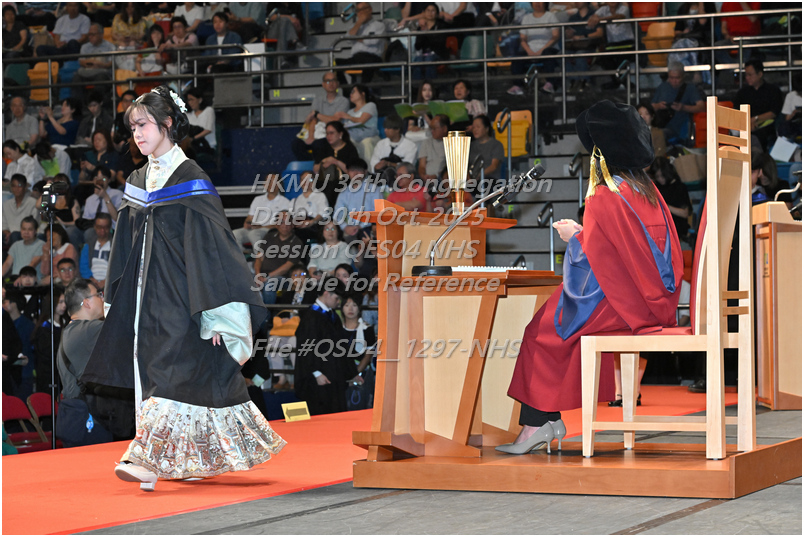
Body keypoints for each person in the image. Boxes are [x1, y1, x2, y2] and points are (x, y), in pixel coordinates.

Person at [79, 86, 285, 491]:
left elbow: (215, 252)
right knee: (157, 376)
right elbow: (125, 247)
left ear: (167, 123)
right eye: (132, 128)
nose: (136, 134)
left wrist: (219, 313)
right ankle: (186, 459)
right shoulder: (137, 180)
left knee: (169, 374)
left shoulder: (191, 179)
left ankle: (144, 459)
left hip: (183, 300)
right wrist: (116, 300)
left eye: (143, 125)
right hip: (144, 300)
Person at [498, 100, 683, 455]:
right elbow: (628, 251)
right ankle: (545, 421)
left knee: (542, 330)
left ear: (600, 154)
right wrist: (587, 235)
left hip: (625, 304)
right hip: (653, 299)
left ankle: (536, 425)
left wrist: (575, 238)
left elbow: (598, 259)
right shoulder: (647, 191)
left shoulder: (605, 195)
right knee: (549, 324)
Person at [57, 279, 136, 444]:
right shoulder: (87, 331)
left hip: (76, 417)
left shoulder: (72, 331)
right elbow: (127, 327)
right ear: (86, 302)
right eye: (99, 295)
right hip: (88, 420)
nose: (102, 299)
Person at [294, 277, 362, 415]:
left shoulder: (332, 316)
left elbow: (342, 346)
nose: (338, 303)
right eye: (337, 298)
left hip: (334, 375)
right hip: (319, 378)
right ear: (326, 293)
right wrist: (316, 373)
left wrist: (352, 373)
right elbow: (305, 348)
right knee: (320, 415)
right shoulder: (311, 317)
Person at [292, 72, 351, 161]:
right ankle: (309, 164)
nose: (331, 83)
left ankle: (319, 165)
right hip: (317, 132)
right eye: (328, 81)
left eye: (333, 80)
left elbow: (335, 120)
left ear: (338, 83)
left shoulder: (344, 101)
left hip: (333, 134)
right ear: (323, 84)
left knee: (319, 145)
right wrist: (311, 136)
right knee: (296, 144)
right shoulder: (317, 100)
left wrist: (317, 114)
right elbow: (313, 120)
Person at [252, 210, 305, 305]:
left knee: (269, 285)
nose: (284, 225)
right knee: (243, 279)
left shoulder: (297, 242)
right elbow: (259, 257)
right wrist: (258, 274)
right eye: (281, 222)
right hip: (262, 274)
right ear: (276, 224)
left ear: (292, 225)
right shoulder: (269, 237)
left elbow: (288, 266)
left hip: (284, 277)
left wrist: (267, 277)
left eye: (288, 222)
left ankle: (267, 313)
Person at [507, 2, 560, 96]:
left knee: (548, 54)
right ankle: (517, 85)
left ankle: (550, 84)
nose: (537, 3)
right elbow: (522, 39)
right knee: (517, 57)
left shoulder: (551, 16)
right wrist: (529, 51)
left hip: (548, 48)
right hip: (530, 50)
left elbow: (555, 36)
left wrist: (541, 50)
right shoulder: (526, 18)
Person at [734, 59, 784, 151]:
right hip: (745, 126)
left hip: (766, 126)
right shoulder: (742, 93)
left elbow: (773, 112)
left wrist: (755, 120)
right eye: (746, 75)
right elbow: (737, 112)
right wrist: (748, 123)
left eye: (750, 75)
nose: (747, 78)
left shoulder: (773, 90)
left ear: (760, 74)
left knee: (760, 135)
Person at [232, 173, 291, 250]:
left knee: (254, 234)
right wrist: (248, 223)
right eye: (268, 181)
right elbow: (249, 217)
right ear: (264, 184)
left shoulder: (285, 202)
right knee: (235, 234)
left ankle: (260, 256)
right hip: (253, 229)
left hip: (271, 231)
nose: (270, 184)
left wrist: (262, 227)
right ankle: (243, 255)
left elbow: (283, 225)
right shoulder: (257, 199)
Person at [651, 62, 705, 145]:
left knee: (658, 135)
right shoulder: (662, 87)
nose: (674, 81)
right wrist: (659, 106)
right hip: (662, 125)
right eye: (671, 78)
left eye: (677, 78)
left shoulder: (690, 88)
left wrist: (683, 107)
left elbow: (701, 107)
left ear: (683, 76)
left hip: (681, 129)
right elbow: (649, 108)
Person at [335, 2, 386, 85]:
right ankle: (346, 89)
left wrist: (356, 37)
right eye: (358, 10)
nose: (360, 12)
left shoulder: (379, 25)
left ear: (370, 10)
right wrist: (359, 23)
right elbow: (348, 39)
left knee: (365, 68)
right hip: (357, 58)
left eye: (363, 9)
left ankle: (361, 89)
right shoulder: (355, 26)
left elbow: (372, 41)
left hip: (372, 58)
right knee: (336, 63)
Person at [334, 159, 385, 243]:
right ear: (348, 172)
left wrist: (361, 226)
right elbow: (337, 215)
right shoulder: (344, 193)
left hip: (368, 228)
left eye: (359, 170)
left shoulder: (374, 189)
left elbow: (378, 212)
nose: (355, 173)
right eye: (352, 170)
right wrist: (345, 227)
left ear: (365, 172)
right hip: (349, 229)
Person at [313, 121, 361, 207]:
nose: (328, 136)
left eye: (331, 133)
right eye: (327, 133)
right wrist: (324, 161)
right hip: (325, 181)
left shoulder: (350, 149)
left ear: (340, 134)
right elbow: (315, 169)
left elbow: (353, 172)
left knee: (334, 186)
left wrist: (336, 162)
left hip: (344, 181)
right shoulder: (324, 148)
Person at [31, 285, 68, 394]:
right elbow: (46, 354)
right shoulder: (45, 327)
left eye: (64, 302)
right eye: (60, 302)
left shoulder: (66, 323)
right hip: (49, 374)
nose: (64, 305)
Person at [649, 157, 692, 242]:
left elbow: (685, 213)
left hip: (678, 230)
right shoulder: (656, 187)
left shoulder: (679, 187)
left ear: (667, 173)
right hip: (662, 230)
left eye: (662, 176)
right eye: (657, 176)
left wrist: (665, 206)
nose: (660, 179)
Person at [71, 24, 115, 103]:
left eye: (93, 34)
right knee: (76, 78)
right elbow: (82, 62)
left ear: (101, 35)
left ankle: (97, 104)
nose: (90, 37)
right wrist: (96, 63)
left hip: (102, 72)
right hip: (87, 72)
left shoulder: (110, 46)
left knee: (101, 79)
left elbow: (110, 63)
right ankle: (79, 106)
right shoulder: (85, 47)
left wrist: (95, 63)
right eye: (89, 34)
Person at [467, 115, 505, 194]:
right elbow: (466, 165)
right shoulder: (471, 146)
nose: (475, 130)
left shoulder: (496, 145)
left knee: (482, 185)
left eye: (478, 127)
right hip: (472, 179)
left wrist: (479, 176)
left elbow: (494, 166)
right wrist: (469, 178)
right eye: (473, 127)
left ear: (486, 128)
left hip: (490, 178)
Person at [289, 171, 329, 243]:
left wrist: (312, 222)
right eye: (303, 179)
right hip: (298, 227)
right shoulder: (295, 200)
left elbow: (323, 213)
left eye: (310, 179)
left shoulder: (320, 196)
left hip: (314, 227)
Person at [412, 3, 447, 80]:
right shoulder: (421, 27)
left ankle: (431, 84)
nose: (430, 13)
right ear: (424, 12)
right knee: (417, 60)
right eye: (428, 10)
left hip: (438, 54)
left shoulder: (441, 26)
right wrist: (422, 32)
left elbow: (439, 44)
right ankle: (417, 85)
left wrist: (427, 32)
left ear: (437, 13)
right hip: (423, 54)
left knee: (429, 59)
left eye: (433, 11)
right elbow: (417, 46)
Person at [79, 213, 113, 291]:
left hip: (110, 283)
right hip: (91, 283)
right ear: (94, 227)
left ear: (110, 227)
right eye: (99, 227)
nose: (102, 230)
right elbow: (83, 267)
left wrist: (106, 281)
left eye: (106, 227)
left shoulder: (115, 246)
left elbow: (117, 268)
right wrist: (91, 280)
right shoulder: (88, 246)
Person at [2, 177, 40, 247]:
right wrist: (7, 233)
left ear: (25, 187)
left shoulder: (33, 203)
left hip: (26, 234)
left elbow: (34, 225)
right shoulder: (6, 204)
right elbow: (3, 225)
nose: (16, 189)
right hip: (9, 234)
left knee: (14, 235)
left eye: (19, 186)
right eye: (14, 186)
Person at [184, 87, 216, 154]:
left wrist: (193, 139)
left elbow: (208, 129)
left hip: (207, 146)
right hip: (192, 147)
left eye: (192, 100)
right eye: (189, 100)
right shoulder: (187, 114)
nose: (190, 103)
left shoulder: (209, 111)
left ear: (200, 100)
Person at [418, 114, 450, 181]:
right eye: (431, 128)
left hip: (444, 180)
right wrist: (423, 175)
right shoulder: (426, 142)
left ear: (444, 129)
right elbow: (422, 165)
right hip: (426, 179)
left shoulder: (452, 144)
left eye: (434, 128)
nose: (432, 131)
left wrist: (436, 176)